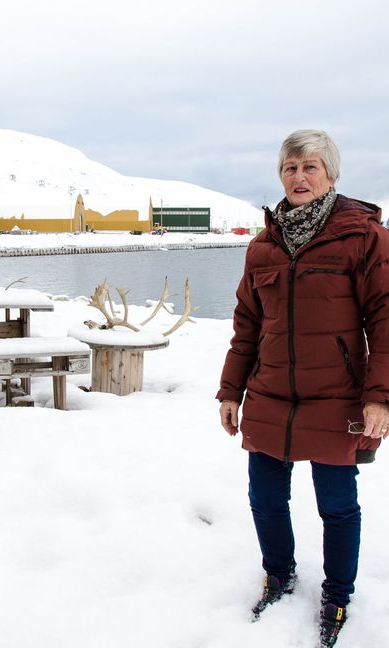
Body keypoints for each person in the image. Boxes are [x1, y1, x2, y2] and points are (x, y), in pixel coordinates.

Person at [217, 129, 389, 647]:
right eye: (291, 168)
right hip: (270, 395)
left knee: (336, 505)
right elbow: (247, 323)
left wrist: (379, 396)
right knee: (265, 499)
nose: (299, 177)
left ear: (331, 175)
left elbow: (384, 320)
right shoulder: (263, 246)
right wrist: (231, 391)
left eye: (311, 167)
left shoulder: (364, 237)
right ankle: (279, 576)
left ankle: (337, 596)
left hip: (337, 399)